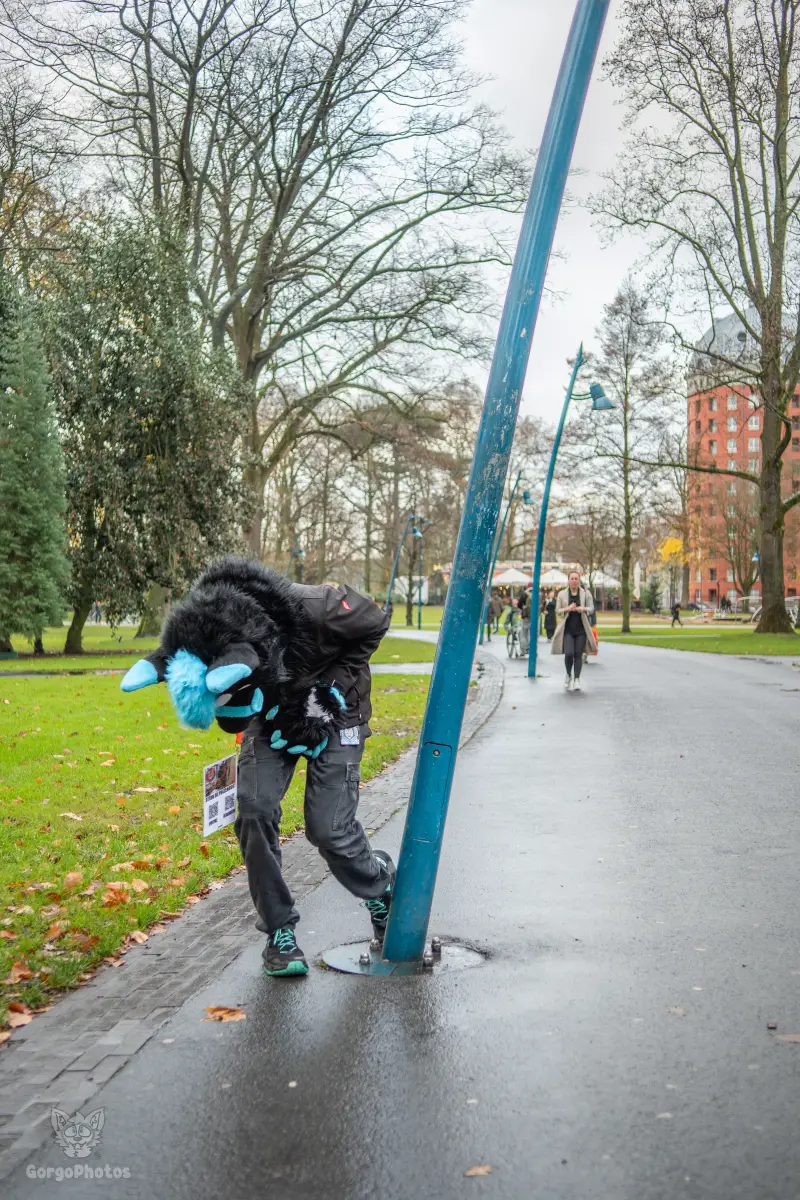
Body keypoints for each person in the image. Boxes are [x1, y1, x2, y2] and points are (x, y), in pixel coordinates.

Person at [121, 557, 395, 978]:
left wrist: (329, 692)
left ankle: (379, 889)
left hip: (338, 713)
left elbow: (375, 621)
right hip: (270, 712)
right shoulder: (215, 639)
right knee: (253, 808)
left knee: (328, 828)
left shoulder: (318, 607)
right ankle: (279, 933)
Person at [551, 570, 597, 691]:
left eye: (576, 579)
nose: (574, 581)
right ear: (568, 580)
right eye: (572, 578)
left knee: (578, 654)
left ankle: (577, 679)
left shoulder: (586, 594)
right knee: (569, 653)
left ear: (579, 580)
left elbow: (592, 609)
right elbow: (558, 610)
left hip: (581, 629)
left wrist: (583, 608)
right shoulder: (562, 594)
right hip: (567, 630)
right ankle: (568, 675)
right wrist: (568, 608)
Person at [517, 586, 532, 655]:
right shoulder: (538, 593)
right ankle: (531, 649)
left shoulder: (524, 594)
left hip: (526, 616)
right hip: (535, 617)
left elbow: (519, 605)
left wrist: (523, 607)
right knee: (532, 633)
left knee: (524, 633)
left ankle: (524, 649)